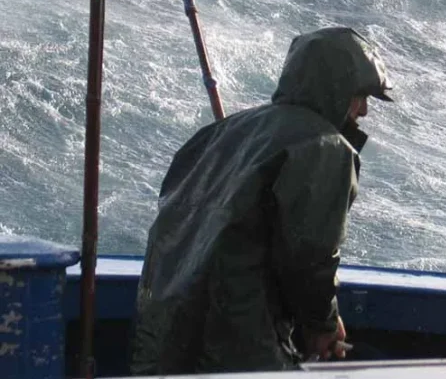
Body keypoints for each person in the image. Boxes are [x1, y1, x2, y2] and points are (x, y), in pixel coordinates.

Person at [129, 26, 393, 375]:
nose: (364, 111)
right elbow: (310, 256)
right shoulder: (324, 146)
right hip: (236, 349)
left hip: (161, 340)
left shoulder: (219, 133)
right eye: (360, 96)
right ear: (336, 88)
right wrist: (323, 325)